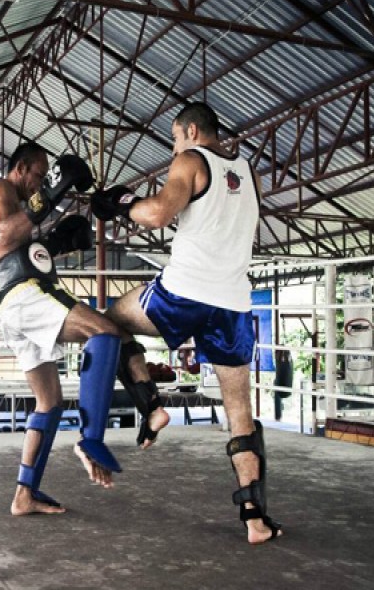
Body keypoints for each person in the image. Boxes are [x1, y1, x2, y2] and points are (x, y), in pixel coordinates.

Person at [92, 102, 282, 544]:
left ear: (191, 131)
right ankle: (255, 520)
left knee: (107, 323)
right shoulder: (251, 173)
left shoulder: (191, 159)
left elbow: (158, 213)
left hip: (182, 293)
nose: (175, 146)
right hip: (232, 303)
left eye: (176, 137)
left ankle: (152, 408)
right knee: (241, 415)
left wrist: (122, 203)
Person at [0, 141, 123, 516]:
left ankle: (24, 494)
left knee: (50, 402)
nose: (41, 183)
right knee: (104, 332)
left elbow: (20, 245)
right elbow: (8, 235)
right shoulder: (1, 190)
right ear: (22, 167)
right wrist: (50, 193)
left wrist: (56, 241)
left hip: (15, 301)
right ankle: (91, 440)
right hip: (26, 294)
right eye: (40, 176)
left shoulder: (14, 201)